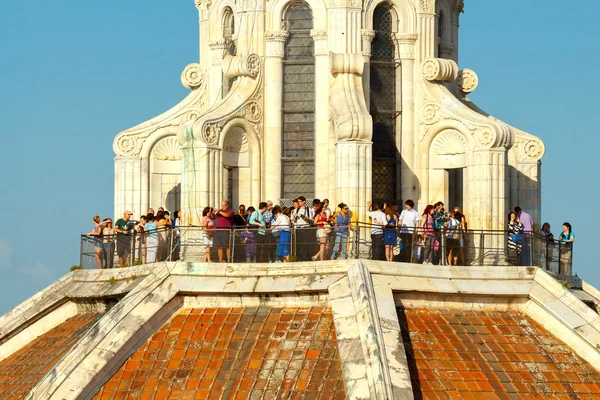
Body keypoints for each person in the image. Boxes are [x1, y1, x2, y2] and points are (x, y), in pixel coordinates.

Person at [292, 196, 314, 261]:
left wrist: (306, 218)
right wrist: (294, 218)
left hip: (305, 228)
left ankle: (304, 258)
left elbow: (311, 220)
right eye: (298, 201)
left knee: (305, 244)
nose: (298, 203)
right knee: (298, 244)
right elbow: (294, 221)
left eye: (300, 201)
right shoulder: (296, 210)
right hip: (298, 228)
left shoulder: (308, 209)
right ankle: (298, 258)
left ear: (304, 202)